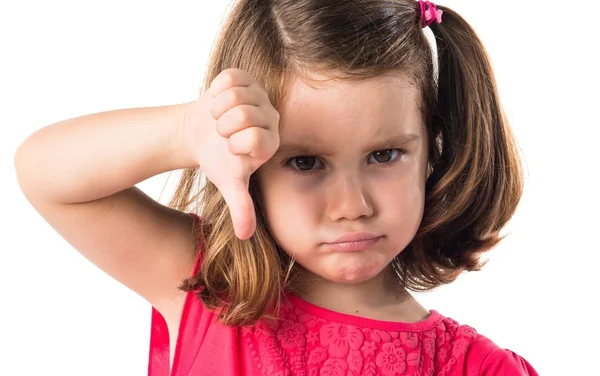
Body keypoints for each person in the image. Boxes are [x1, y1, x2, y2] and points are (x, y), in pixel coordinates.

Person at [14, 0, 539, 374]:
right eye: (306, 162)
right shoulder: (204, 292)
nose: (352, 206)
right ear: (250, 164)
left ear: (434, 150)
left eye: (384, 155)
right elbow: (46, 174)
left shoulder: (479, 368)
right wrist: (185, 132)